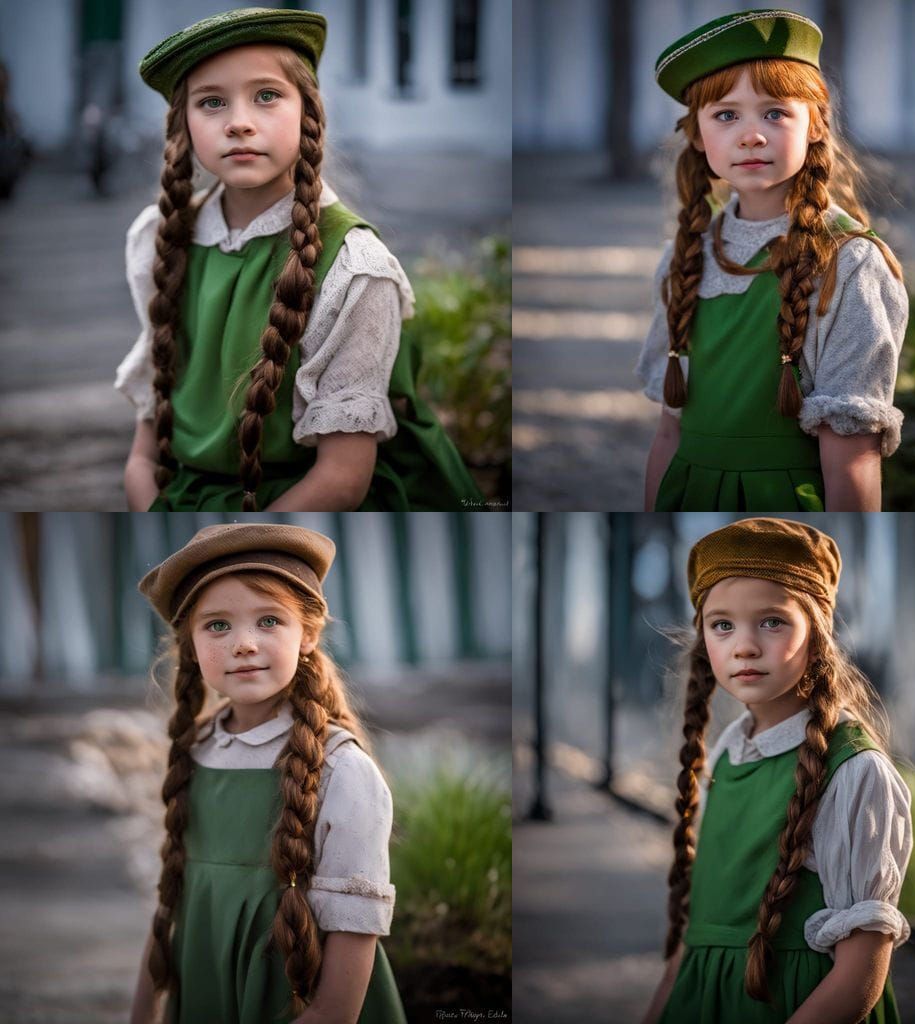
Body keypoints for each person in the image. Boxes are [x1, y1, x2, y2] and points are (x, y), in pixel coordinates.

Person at [115, 8, 482, 511]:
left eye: (266, 96)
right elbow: (141, 458)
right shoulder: (158, 240)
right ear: (183, 124)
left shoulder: (354, 268)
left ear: (307, 111)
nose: (239, 123)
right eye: (212, 102)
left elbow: (342, 477)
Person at [129, 522, 407, 1024]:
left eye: (269, 621)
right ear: (189, 644)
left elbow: (341, 989)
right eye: (217, 625)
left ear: (309, 634)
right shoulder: (193, 754)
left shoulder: (343, 771)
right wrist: (144, 1010)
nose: (243, 644)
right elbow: (173, 899)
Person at [641, 517, 913, 1024]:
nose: (744, 645)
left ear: (818, 633)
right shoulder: (726, 752)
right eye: (722, 624)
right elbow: (690, 942)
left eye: (772, 621)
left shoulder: (854, 771)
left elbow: (860, 976)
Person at [636, 9, 909, 512]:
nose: (751, 135)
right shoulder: (685, 258)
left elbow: (852, 460)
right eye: (725, 114)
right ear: (697, 135)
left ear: (815, 125)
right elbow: (668, 436)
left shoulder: (850, 263)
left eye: (775, 112)